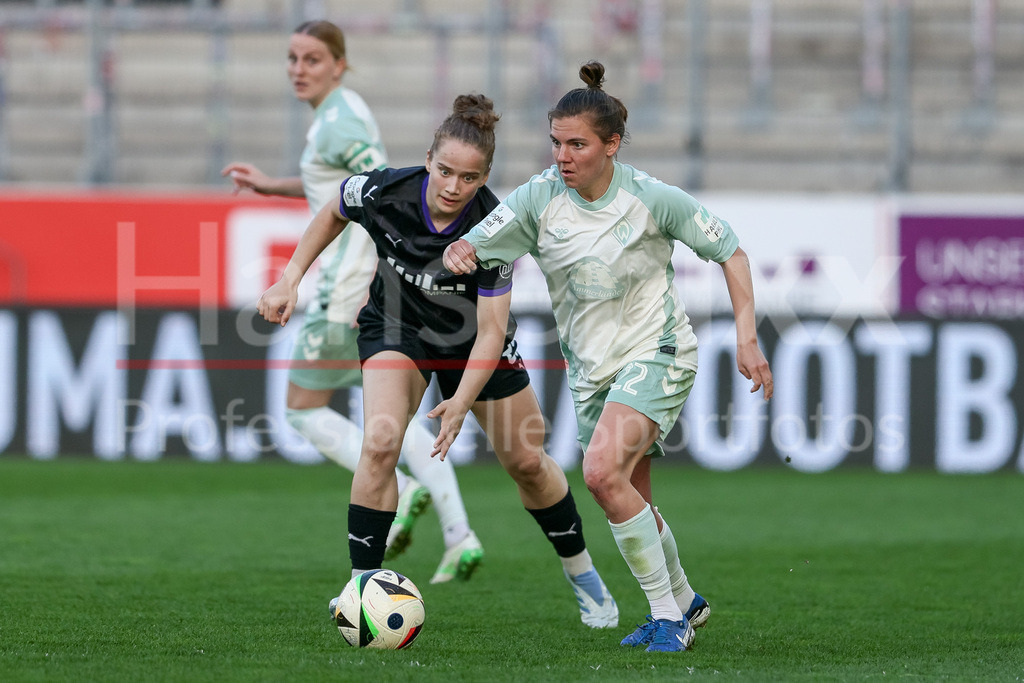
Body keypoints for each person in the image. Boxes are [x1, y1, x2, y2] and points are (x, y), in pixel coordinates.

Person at [443, 62, 774, 652]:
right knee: (629, 493)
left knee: (597, 473)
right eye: (556, 142)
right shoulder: (538, 198)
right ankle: (685, 601)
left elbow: (733, 251)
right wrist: (460, 254)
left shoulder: (650, 198)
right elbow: (471, 241)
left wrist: (746, 337)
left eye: (578, 144)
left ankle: (667, 619)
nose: (563, 156)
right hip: (592, 372)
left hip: (659, 351)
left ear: (612, 144)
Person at [257, 93, 619, 627]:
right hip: (395, 328)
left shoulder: (496, 227)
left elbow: (492, 333)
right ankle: (362, 590)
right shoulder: (386, 190)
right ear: (428, 160)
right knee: (380, 442)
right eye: (444, 171)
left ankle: (583, 573)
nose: (453, 187)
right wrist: (291, 277)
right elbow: (335, 206)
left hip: (472, 343)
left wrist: (458, 404)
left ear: (485, 177)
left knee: (526, 464)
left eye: (468, 178)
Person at [222, 20, 479, 581]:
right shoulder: (337, 115)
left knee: (305, 409)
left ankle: (414, 495)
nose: (298, 69)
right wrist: (273, 186)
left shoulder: (340, 120)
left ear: (339, 64)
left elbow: (372, 189)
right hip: (360, 279)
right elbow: (339, 186)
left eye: (312, 59)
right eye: (292, 58)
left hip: (347, 283)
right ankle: (457, 529)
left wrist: (370, 267)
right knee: (387, 418)